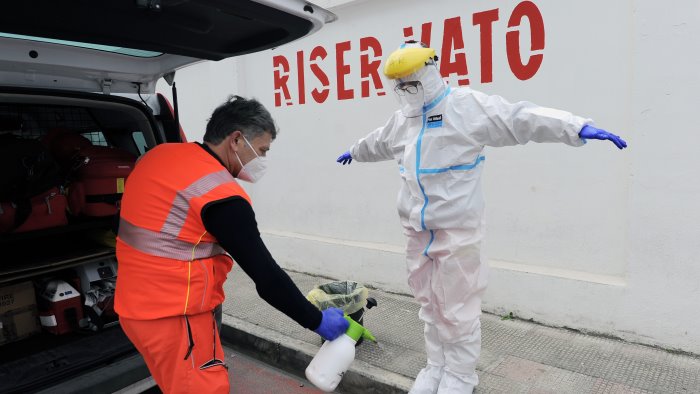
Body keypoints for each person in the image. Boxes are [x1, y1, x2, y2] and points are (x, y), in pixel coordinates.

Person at [336, 41, 627, 394]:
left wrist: (574, 126)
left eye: (410, 82)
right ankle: (436, 367)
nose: (405, 91)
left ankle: (460, 376)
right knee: (429, 303)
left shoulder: (465, 107)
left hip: (457, 230)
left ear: (428, 72)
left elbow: (519, 118)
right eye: (399, 85)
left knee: (457, 308)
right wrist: (354, 150)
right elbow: (379, 142)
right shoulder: (404, 120)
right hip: (417, 231)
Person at [115, 95, 349, 393]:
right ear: (236, 140)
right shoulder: (221, 196)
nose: (262, 159)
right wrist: (316, 320)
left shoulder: (160, 156)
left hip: (134, 309)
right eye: (262, 150)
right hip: (176, 318)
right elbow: (266, 276)